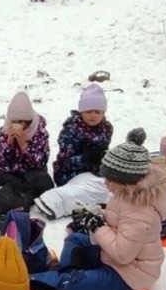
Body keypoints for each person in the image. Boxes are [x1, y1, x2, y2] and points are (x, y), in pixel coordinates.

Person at [32, 129, 166, 290]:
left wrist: (97, 225)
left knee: (71, 284)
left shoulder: (141, 212)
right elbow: (119, 221)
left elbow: (122, 255)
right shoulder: (125, 194)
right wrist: (97, 214)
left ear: (125, 180)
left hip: (129, 274)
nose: (105, 183)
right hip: (111, 257)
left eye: (109, 179)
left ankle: (36, 284)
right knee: (76, 239)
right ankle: (66, 271)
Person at [35, 83, 114, 220]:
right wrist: (86, 158)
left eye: (97, 112)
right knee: (96, 189)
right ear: (81, 111)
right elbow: (65, 161)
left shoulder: (106, 128)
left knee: (113, 186)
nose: (93, 116)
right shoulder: (71, 129)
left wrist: (104, 159)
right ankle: (54, 200)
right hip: (69, 174)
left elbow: (103, 153)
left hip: (95, 173)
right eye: (88, 111)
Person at [0, 91, 54, 214]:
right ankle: (15, 191)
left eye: (23, 122)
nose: (19, 125)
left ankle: (6, 195)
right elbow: (1, 162)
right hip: (11, 172)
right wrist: (9, 144)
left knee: (45, 183)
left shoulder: (39, 132)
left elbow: (40, 162)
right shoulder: (5, 131)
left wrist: (24, 145)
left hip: (32, 173)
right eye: (16, 121)